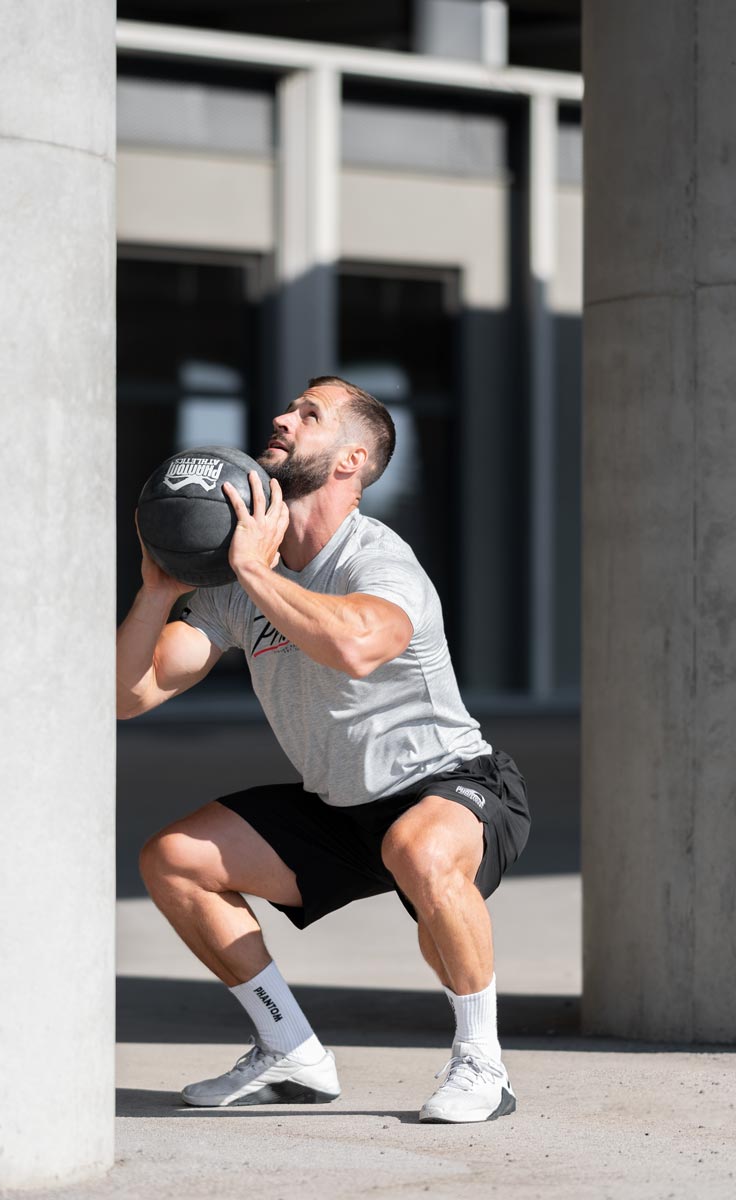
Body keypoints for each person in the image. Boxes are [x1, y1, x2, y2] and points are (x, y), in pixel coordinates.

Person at [116, 376, 530, 1123]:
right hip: (340, 807)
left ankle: (483, 1068)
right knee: (174, 858)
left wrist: (250, 569)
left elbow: (357, 645)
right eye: (288, 407)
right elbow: (129, 694)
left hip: (451, 784)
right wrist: (154, 592)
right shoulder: (234, 582)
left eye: (309, 415)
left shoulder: (377, 559)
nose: (282, 418)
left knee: (421, 853)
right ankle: (291, 1051)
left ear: (352, 462)